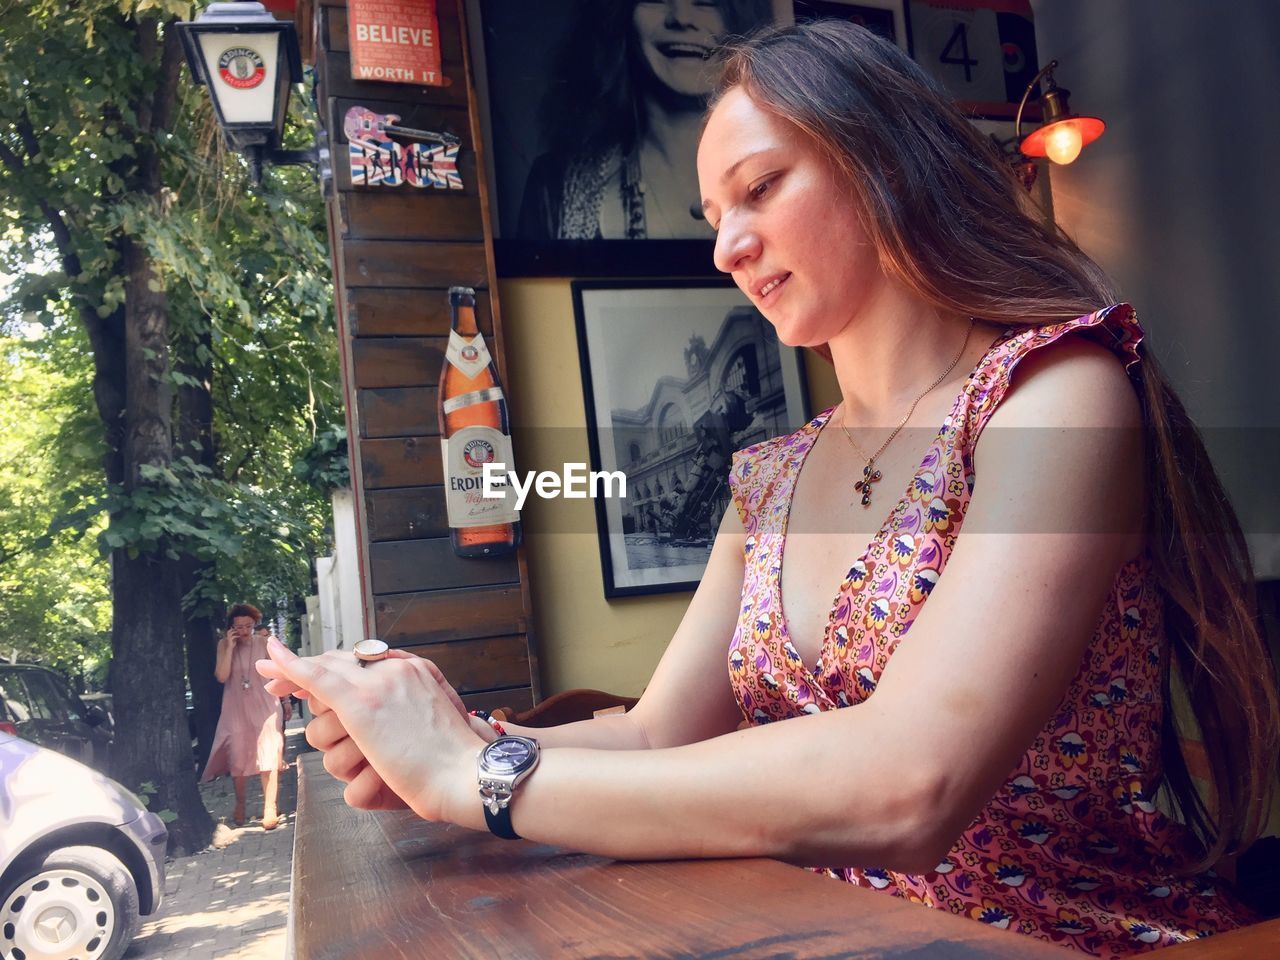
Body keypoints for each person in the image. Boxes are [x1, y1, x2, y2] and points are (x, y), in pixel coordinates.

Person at [259, 20, 1280, 957]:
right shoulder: (771, 476)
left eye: (758, 188)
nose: (724, 246)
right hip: (815, 932)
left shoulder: (1052, 395)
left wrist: (473, 781)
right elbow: (654, 730)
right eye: (711, 215)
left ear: (882, 165)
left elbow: (908, 780)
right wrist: (440, 742)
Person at [516, 0, 775, 239]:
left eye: (707, 0)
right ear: (620, 17)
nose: (682, 18)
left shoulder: (786, 161)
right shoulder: (554, 187)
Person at [203, 603, 290, 830]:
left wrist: (286, 700)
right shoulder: (224, 644)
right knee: (238, 756)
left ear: (254, 624)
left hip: (266, 705)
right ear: (231, 626)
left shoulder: (265, 643)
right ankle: (240, 804)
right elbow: (221, 676)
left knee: (270, 754)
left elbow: (282, 673)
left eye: (248, 626)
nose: (243, 631)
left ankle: (270, 809)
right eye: (238, 626)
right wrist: (230, 647)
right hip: (236, 707)